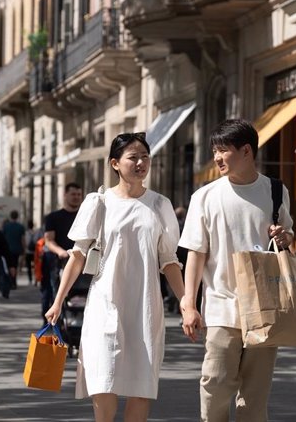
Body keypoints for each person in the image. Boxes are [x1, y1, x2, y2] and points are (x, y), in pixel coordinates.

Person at [45, 132, 185, 422]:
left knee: (141, 383)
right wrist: (58, 301)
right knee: (104, 378)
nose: (141, 162)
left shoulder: (160, 205)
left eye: (145, 157)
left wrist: (187, 304)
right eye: (133, 157)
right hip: (105, 303)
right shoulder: (99, 202)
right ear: (115, 164)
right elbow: (78, 255)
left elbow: (169, 261)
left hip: (145, 306)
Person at [179, 119, 294, 422]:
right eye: (214, 150)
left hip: (264, 307)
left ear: (246, 151)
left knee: (256, 394)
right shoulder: (204, 197)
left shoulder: (275, 191)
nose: (216, 157)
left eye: (223, 150)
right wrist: (189, 303)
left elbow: (287, 238)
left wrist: (285, 237)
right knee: (215, 382)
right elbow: (195, 253)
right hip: (221, 305)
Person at [41, 182, 83, 319]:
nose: (76, 197)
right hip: (59, 263)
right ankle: (52, 323)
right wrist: (61, 252)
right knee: (53, 293)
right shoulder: (53, 217)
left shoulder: (84, 216)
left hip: (82, 263)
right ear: (65, 195)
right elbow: (49, 240)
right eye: (73, 194)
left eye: (78, 194)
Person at [2, 210, 25, 289]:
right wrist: (24, 249)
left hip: (7, 249)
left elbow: (3, 239)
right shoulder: (20, 227)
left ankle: (10, 281)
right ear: (17, 216)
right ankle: (13, 281)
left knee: (8, 265)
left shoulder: (6, 226)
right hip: (17, 249)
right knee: (14, 265)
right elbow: (23, 240)